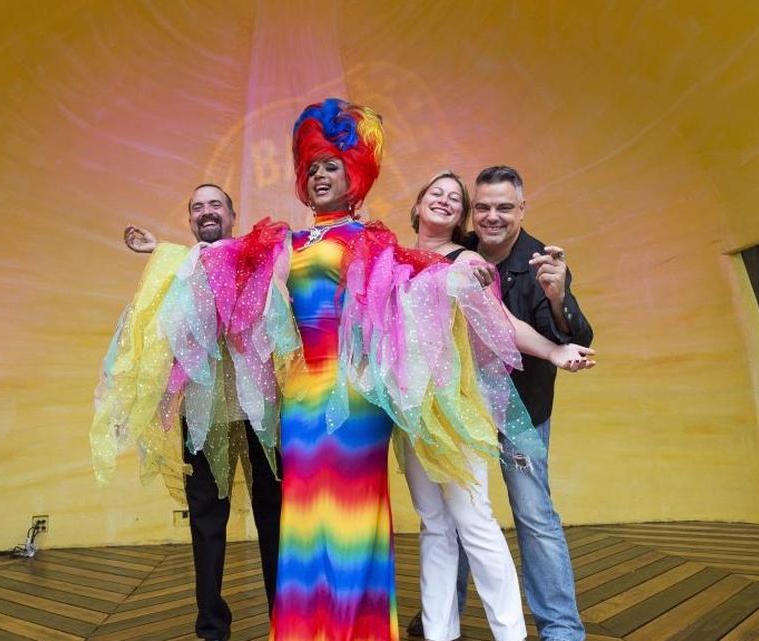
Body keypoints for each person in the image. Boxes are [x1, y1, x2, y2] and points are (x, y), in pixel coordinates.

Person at [93, 99, 544, 641]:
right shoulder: (282, 239)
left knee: (353, 518)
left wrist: (462, 285)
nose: (321, 175)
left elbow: (415, 284)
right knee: (303, 518)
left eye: (332, 165)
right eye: (313, 168)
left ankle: (358, 629)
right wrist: (161, 252)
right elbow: (223, 265)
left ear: (353, 176)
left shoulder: (372, 240)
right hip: (302, 398)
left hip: (354, 397)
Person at [402, 171, 594, 641]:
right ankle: (440, 623)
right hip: (431, 409)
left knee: (523, 515)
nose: (492, 216)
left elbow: (520, 325)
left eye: (503, 208)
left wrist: (557, 307)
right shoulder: (426, 253)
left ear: (521, 209)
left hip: (508, 408)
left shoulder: (526, 261)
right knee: (442, 523)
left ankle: (556, 629)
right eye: (482, 207)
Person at [114, 184, 283, 641]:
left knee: (274, 513)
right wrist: (161, 251)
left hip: (258, 408)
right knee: (207, 519)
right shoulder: (181, 270)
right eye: (197, 207)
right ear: (191, 220)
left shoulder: (252, 256)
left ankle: (283, 620)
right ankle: (211, 625)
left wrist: (162, 248)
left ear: (232, 214)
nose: (206, 212)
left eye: (215, 205)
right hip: (205, 411)